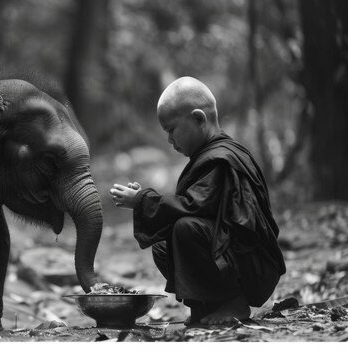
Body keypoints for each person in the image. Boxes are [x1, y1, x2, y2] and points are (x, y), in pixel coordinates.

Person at [110, 76, 285, 325]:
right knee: (164, 244)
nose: (170, 141)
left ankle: (234, 303)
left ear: (198, 119)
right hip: (232, 255)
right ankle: (207, 307)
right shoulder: (210, 155)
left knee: (185, 229)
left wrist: (141, 200)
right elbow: (198, 208)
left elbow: (192, 206)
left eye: (171, 130)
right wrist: (144, 199)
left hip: (253, 265)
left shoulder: (222, 159)